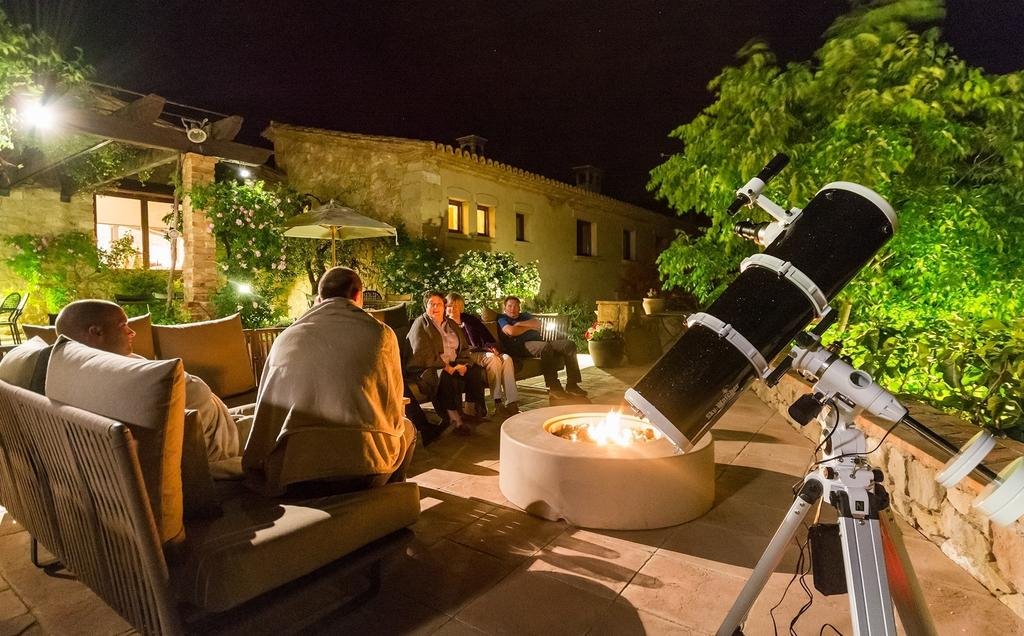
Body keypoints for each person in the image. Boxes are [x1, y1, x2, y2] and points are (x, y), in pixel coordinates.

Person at [243, 266, 414, 496]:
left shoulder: (286, 337)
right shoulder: (381, 334)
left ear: (319, 299)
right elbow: (392, 406)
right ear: (357, 296)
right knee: (408, 429)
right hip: (361, 472)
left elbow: (267, 409)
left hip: (295, 476)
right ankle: (388, 504)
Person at [54, 300, 241, 463]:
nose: (132, 332)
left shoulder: (90, 372)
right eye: (123, 325)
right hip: (214, 447)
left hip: (217, 427)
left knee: (263, 412)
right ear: (96, 332)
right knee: (269, 422)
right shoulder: (114, 376)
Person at [406, 291, 485, 435]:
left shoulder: (451, 324)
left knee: (475, 371)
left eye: (439, 304)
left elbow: (464, 347)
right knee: (445, 376)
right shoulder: (420, 324)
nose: (435, 307)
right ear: (426, 306)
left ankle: (471, 410)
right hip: (429, 368)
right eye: (432, 304)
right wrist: (445, 366)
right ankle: (455, 420)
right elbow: (421, 352)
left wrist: (463, 364)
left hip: (454, 363)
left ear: (444, 306)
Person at [498, 295, 587, 399]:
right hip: (522, 345)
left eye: (515, 306)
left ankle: (572, 385)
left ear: (519, 308)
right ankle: (554, 387)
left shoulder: (525, 315)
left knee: (569, 345)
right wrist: (528, 327)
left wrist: (519, 324)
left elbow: (538, 324)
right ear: (505, 308)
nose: (513, 309)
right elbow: (511, 331)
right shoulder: (502, 318)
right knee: (545, 347)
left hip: (540, 342)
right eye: (509, 306)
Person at [446, 293, 519, 417]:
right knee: (493, 360)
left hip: (484, 351)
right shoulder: (445, 323)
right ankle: (497, 402)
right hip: (467, 354)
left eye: (457, 306)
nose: (454, 309)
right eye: (451, 306)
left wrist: (492, 347)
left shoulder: (470, 319)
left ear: (462, 307)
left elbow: (487, 337)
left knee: (507, 359)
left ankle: (512, 402)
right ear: (446, 307)